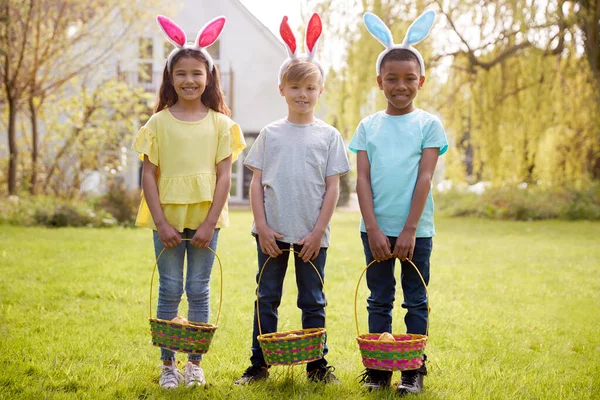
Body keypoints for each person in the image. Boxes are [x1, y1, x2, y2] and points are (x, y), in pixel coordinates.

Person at [234, 13, 350, 386]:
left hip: (311, 236)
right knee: (266, 297)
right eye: (295, 87)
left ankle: (317, 366)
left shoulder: (329, 136)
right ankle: (259, 364)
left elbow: (333, 188)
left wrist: (318, 231)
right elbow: (256, 184)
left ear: (320, 91)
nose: (303, 94)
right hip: (271, 233)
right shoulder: (269, 134)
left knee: (312, 300)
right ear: (281, 89)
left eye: (310, 88)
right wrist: (263, 227)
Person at [133, 15, 245, 389]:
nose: (189, 80)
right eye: (180, 73)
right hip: (166, 219)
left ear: (209, 77)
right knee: (169, 288)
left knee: (198, 288)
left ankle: (194, 363)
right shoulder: (157, 123)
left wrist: (211, 222)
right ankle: (168, 365)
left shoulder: (220, 124)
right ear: (170, 78)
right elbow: (149, 175)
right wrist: (162, 223)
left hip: (205, 219)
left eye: (197, 73)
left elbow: (225, 176)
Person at [349, 11, 448, 395]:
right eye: (392, 79)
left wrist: (409, 229)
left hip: (415, 231)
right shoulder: (367, 127)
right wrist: (373, 227)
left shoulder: (428, 125)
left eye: (409, 79)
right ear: (380, 82)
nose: (400, 86)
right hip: (374, 229)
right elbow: (361, 179)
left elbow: (424, 178)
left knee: (416, 300)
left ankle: (412, 370)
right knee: (379, 299)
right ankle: (378, 369)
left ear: (420, 82)